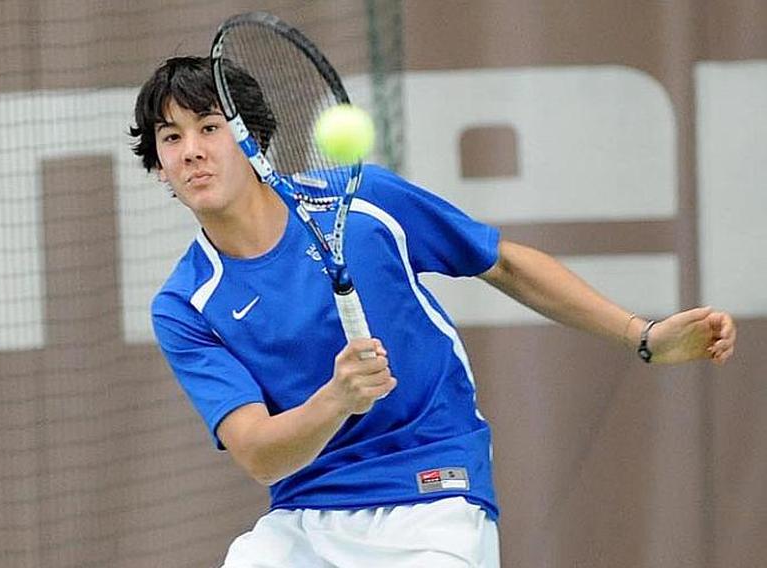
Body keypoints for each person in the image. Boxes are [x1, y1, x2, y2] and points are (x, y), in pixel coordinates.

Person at [130, 56, 737, 567]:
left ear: (251, 138)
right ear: (159, 168)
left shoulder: (365, 203)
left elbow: (504, 263)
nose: (192, 152)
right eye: (172, 138)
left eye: (209, 126)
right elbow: (260, 454)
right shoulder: (186, 304)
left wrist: (644, 334)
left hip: (432, 492)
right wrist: (336, 398)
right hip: (305, 516)